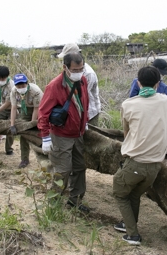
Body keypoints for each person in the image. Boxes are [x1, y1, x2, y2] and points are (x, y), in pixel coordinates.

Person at [112, 66, 167, 245]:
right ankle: (127, 223)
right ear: (158, 84)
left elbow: (126, 132)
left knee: (119, 193)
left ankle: (133, 234)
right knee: (134, 194)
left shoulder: (128, 105)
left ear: (137, 82)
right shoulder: (166, 100)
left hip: (136, 163)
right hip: (155, 166)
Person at [38, 52, 90, 212]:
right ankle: (53, 204)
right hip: (61, 135)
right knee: (63, 170)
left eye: (81, 68)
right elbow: (43, 113)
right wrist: (45, 137)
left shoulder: (83, 81)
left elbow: (84, 102)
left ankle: (75, 201)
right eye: (75, 70)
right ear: (65, 68)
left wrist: (84, 122)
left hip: (78, 134)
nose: (78, 72)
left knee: (80, 167)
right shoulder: (55, 86)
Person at [58, 43, 101, 125]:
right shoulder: (68, 69)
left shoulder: (88, 73)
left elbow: (82, 97)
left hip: (90, 112)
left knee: (90, 136)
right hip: (76, 112)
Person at [9, 73, 43, 168]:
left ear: (27, 83)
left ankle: (45, 156)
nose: (20, 87)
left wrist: (31, 125)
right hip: (26, 109)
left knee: (37, 132)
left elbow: (37, 109)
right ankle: (24, 159)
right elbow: (14, 107)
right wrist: (12, 124)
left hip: (40, 108)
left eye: (23, 85)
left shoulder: (35, 91)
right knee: (24, 134)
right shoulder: (14, 91)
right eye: (18, 85)